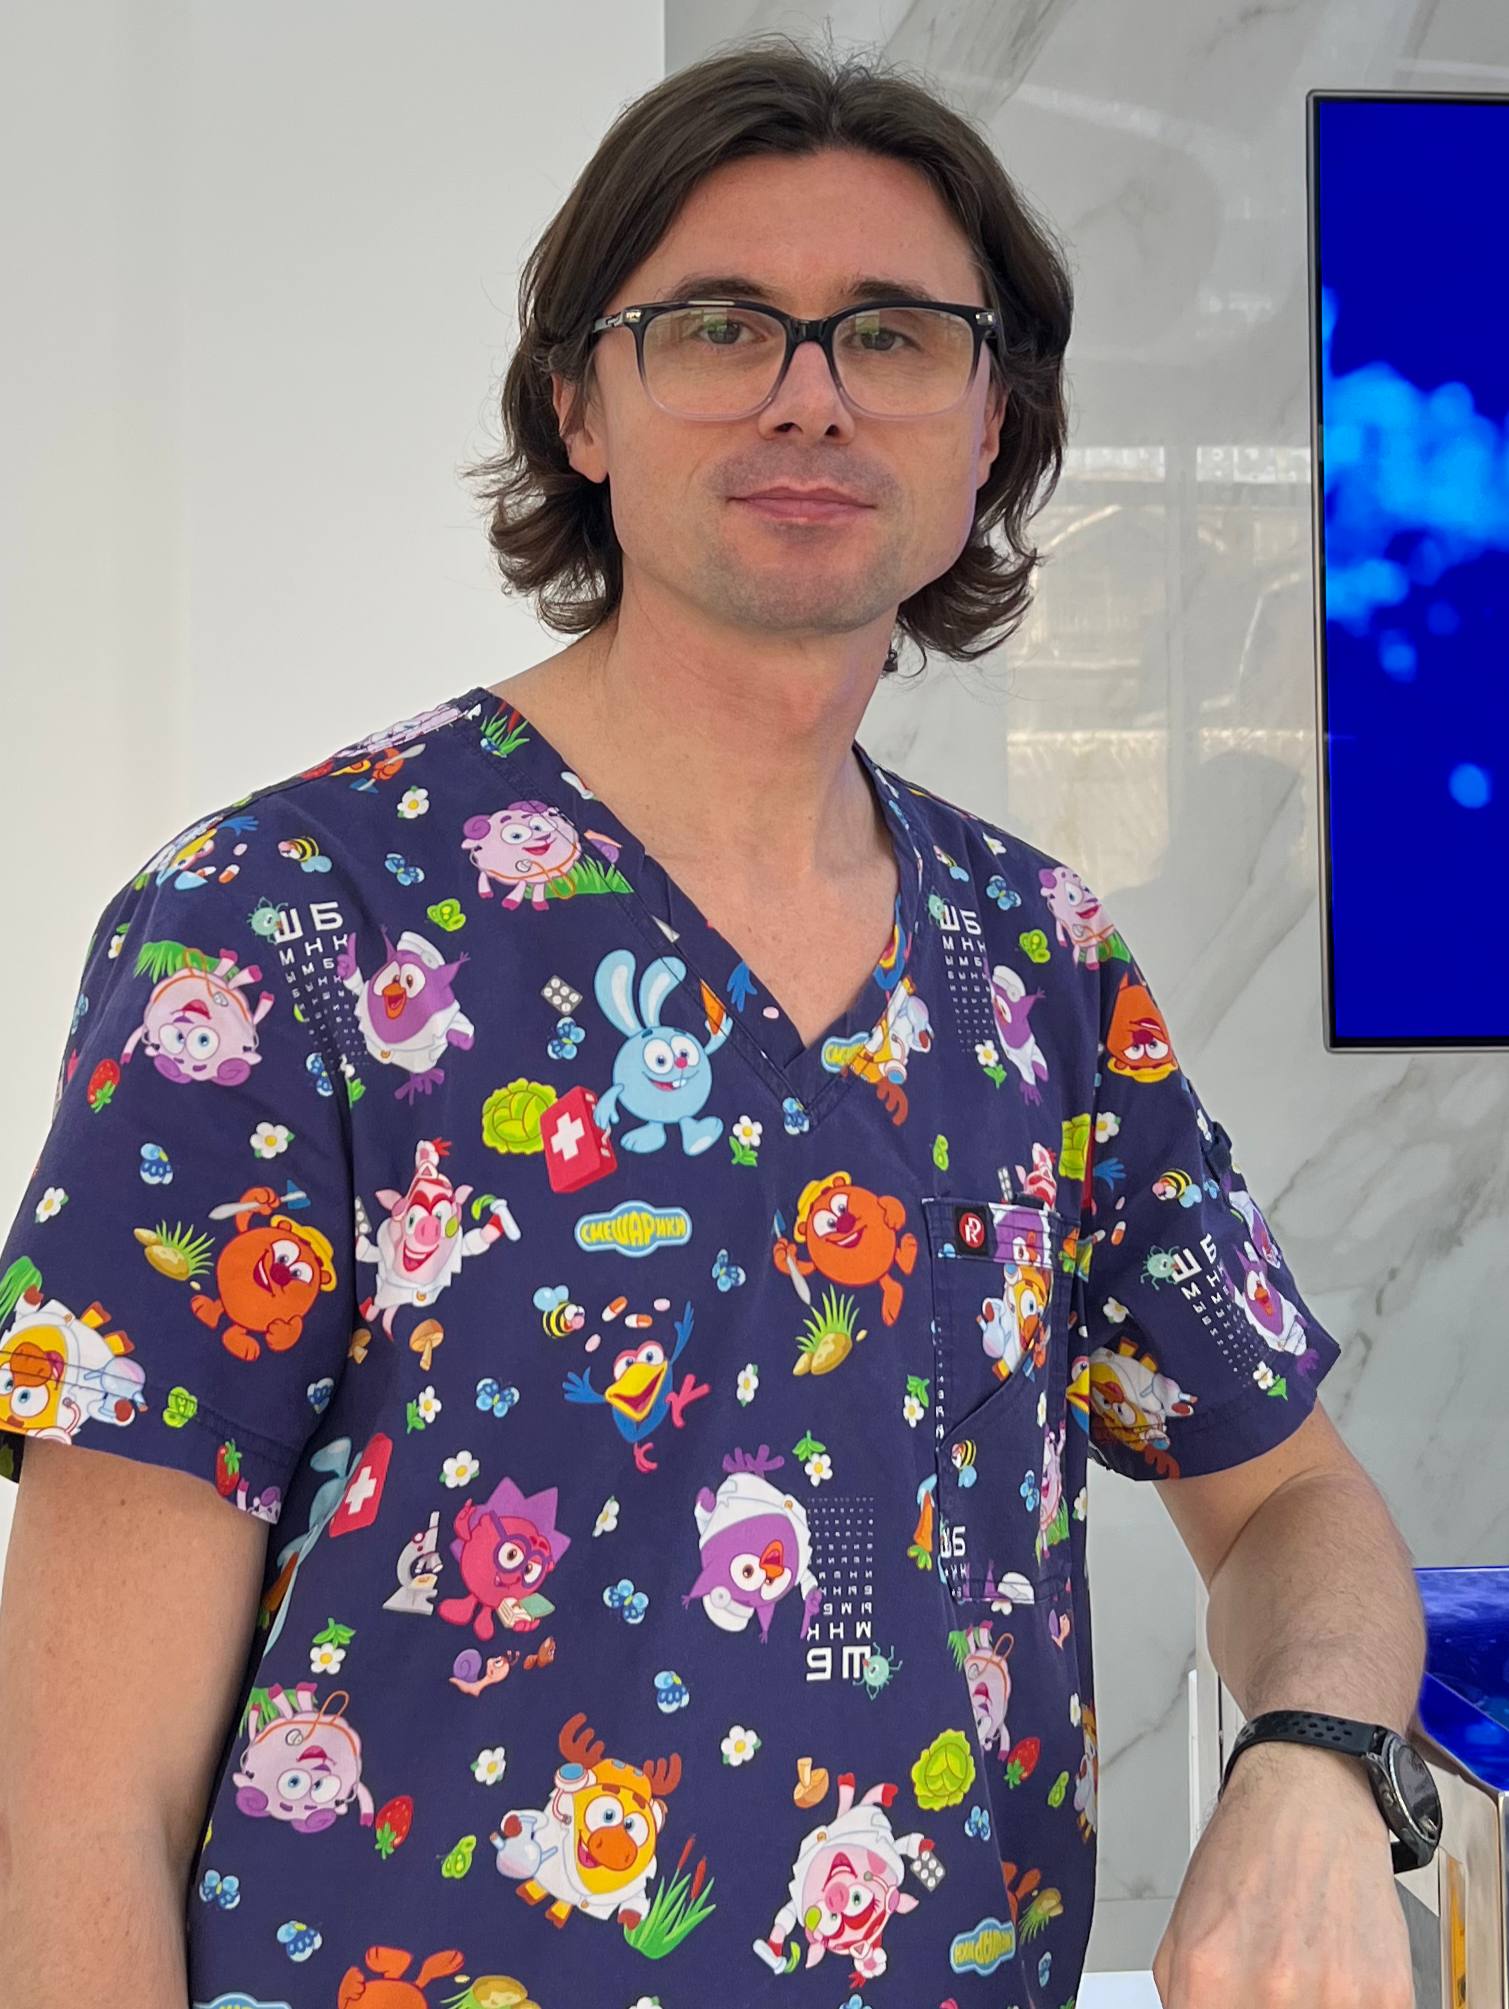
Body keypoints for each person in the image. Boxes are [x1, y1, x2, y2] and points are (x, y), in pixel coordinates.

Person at [0, 34, 1427, 2009]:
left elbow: (1289, 1501)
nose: (807, 393)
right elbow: (84, 1806)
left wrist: (1314, 1763)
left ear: (990, 427)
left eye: (894, 335)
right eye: (719, 325)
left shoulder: (1036, 964)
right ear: (578, 404)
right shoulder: (281, 926)